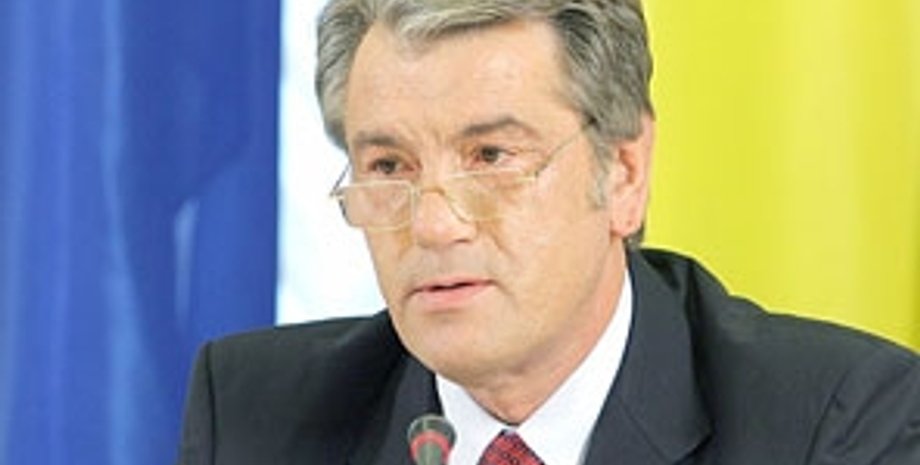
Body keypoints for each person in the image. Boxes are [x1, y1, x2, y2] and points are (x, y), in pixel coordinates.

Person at [177, 1, 920, 464]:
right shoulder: (255, 418)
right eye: (389, 165)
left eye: (491, 157)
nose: (432, 224)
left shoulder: (834, 425)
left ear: (623, 173)